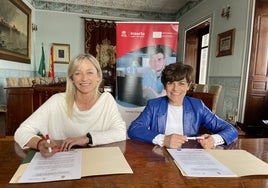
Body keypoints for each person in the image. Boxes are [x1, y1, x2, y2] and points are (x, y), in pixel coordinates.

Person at [14, 53, 126, 157]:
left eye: (90, 72)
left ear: (98, 77)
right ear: (72, 79)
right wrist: (39, 143)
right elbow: (22, 131)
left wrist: (87, 138)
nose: (84, 78)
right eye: (78, 73)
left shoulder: (107, 100)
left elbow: (120, 132)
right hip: (62, 163)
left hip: (97, 160)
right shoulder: (57, 101)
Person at [128, 62, 238, 149]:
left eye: (181, 83)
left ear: (188, 86)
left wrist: (213, 139)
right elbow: (134, 129)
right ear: (165, 85)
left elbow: (231, 130)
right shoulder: (154, 105)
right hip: (159, 157)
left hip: (189, 156)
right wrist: (163, 139)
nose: (175, 89)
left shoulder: (197, 106)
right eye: (170, 83)